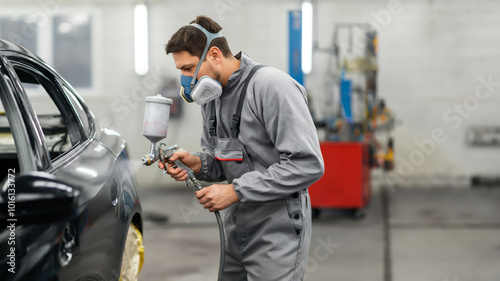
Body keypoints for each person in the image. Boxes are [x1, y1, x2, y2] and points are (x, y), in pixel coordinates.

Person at [162, 15, 324, 281]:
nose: (186, 81)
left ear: (215, 55)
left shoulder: (271, 86)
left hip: (277, 229)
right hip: (236, 226)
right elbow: (224, 162)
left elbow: (307, 164)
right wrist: (197, 163)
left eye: (189, 69)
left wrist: (236, 191)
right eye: (181, 71)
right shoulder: (211, 99)